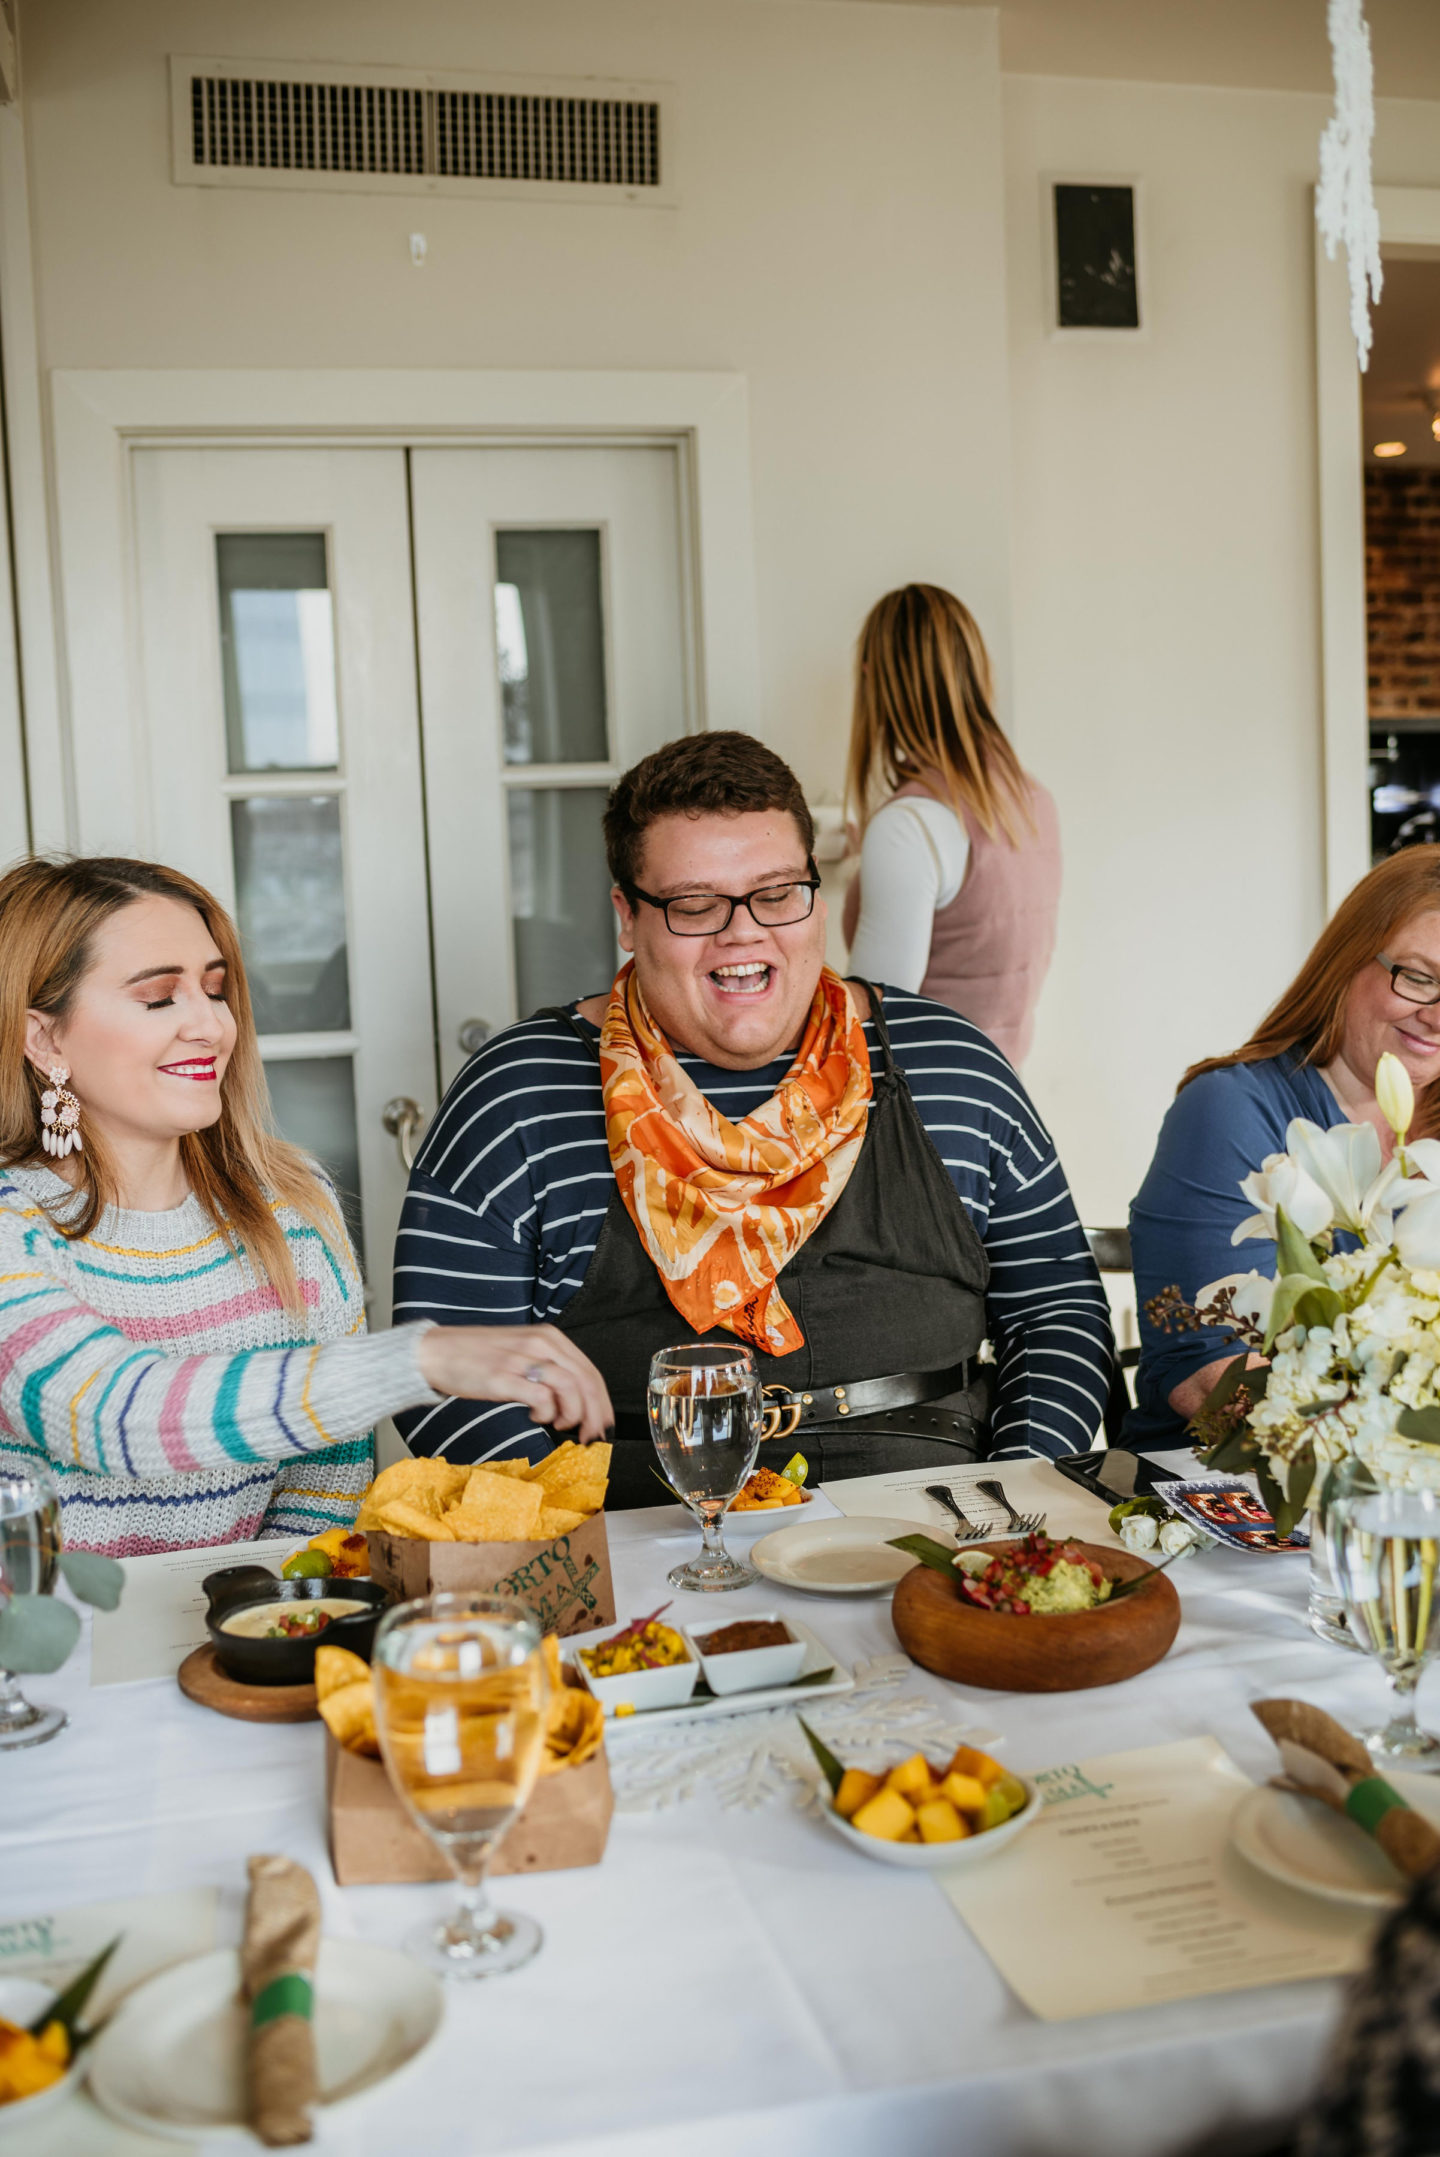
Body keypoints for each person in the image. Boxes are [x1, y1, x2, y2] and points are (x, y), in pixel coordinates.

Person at [393, 731, 1112, 1506]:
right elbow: (439, 1371)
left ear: (817, 893)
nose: (744, 933)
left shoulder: (954, 1067)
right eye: (694, 904)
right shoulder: (516, 1095)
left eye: (775, 894)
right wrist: (564, 1549)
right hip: (635, 1553)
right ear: (627, 918)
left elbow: (1058, 1311)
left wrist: (1012, 1496)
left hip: (939, 1534)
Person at [0, 857, 611, 1554]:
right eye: (160, 997)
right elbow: (109, 1412)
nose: (212, 1027)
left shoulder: (292, 1205)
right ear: (44, 1037)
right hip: (55, 1653)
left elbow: (327, 1475)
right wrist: (416, 1359)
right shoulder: (11, 1225)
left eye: (215, 989)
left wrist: (262, 1618)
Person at [1127, 846, 1440, 1451]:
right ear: (1348, 959)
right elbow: (1204, 1379)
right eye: (1420, 977)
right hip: (1225, 1493)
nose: (1435, 1016)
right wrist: (1406, 1451)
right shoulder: (1230, 1111)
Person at [842, 584, 1061, 1068]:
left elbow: (868, 1026)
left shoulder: (909, 827)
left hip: (923, 1119)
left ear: (871, 678)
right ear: (976, 671)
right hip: (1003, 1104)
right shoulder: (1033, 803)